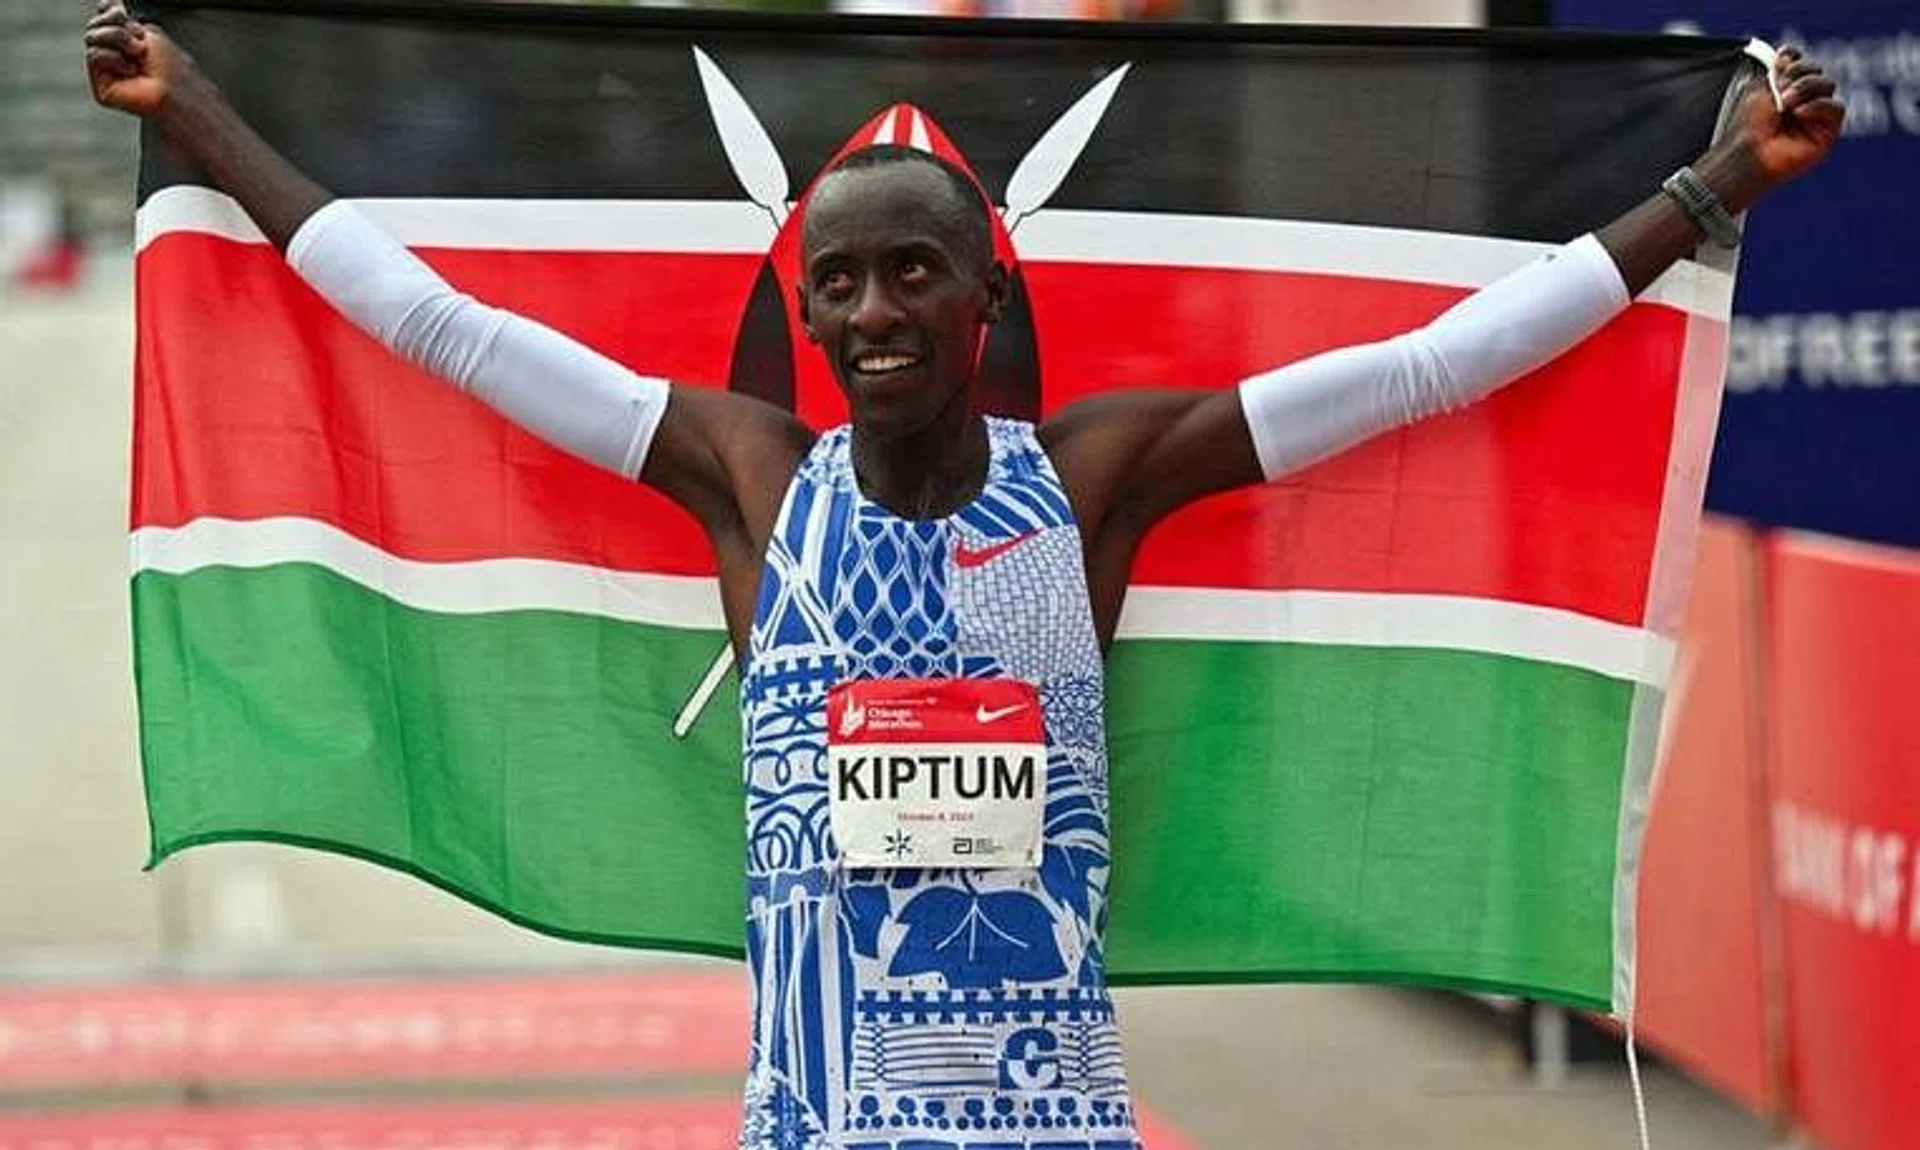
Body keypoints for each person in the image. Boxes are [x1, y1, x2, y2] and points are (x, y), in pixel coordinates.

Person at [85, 2, 1841, 1146]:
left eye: (913, 274)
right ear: (797, 308)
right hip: (809, 1119)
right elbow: (434, 324)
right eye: (835, 286)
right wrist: (205, 118)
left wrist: (1703, 190)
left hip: (1053, 1124)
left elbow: (1429, 367)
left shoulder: (1093, 482)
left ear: (985, 298)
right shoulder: (746, 478)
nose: (871, 315)